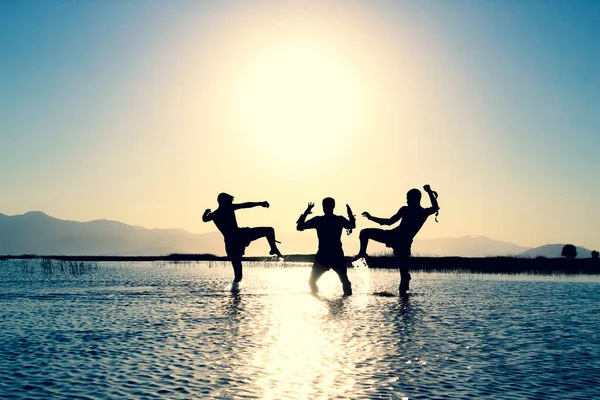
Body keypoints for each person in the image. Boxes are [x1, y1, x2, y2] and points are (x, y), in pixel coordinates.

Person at [354, 185, 439, 295]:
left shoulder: (411, 210)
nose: (407, 200)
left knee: (364, 232)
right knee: (403, 271)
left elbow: (389, 222)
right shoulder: (423, 212)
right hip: (400, 240)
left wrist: (371, 218)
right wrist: (429, 192)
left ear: (415, 199)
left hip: (396, 239)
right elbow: (435, 207)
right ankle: (403, 298)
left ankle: (403, 294)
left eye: (408, 198)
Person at [203, 193, 283, 292]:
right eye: (229, 202)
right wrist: (260, 203)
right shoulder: (228, 208)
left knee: (238, 276)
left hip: (231, 243)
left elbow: (204, 219)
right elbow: (245, 205)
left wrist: (206, 212)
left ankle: (234, 298)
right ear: (224, 202)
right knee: (269, 230)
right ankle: (235, 297)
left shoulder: (214, 215)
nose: (231, 203)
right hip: (240, 236)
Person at [297, 197, 356, 296]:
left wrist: (306, 212)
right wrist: (350, 214)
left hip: (324, 255)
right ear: (333, 206)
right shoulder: (339, 219)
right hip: (336, 254)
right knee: (345, 281)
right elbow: (352, 225)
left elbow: (299, 227)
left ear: (323, 207)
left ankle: (317, 297)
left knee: (311, 281)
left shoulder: (319, 220)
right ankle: (348, 301)